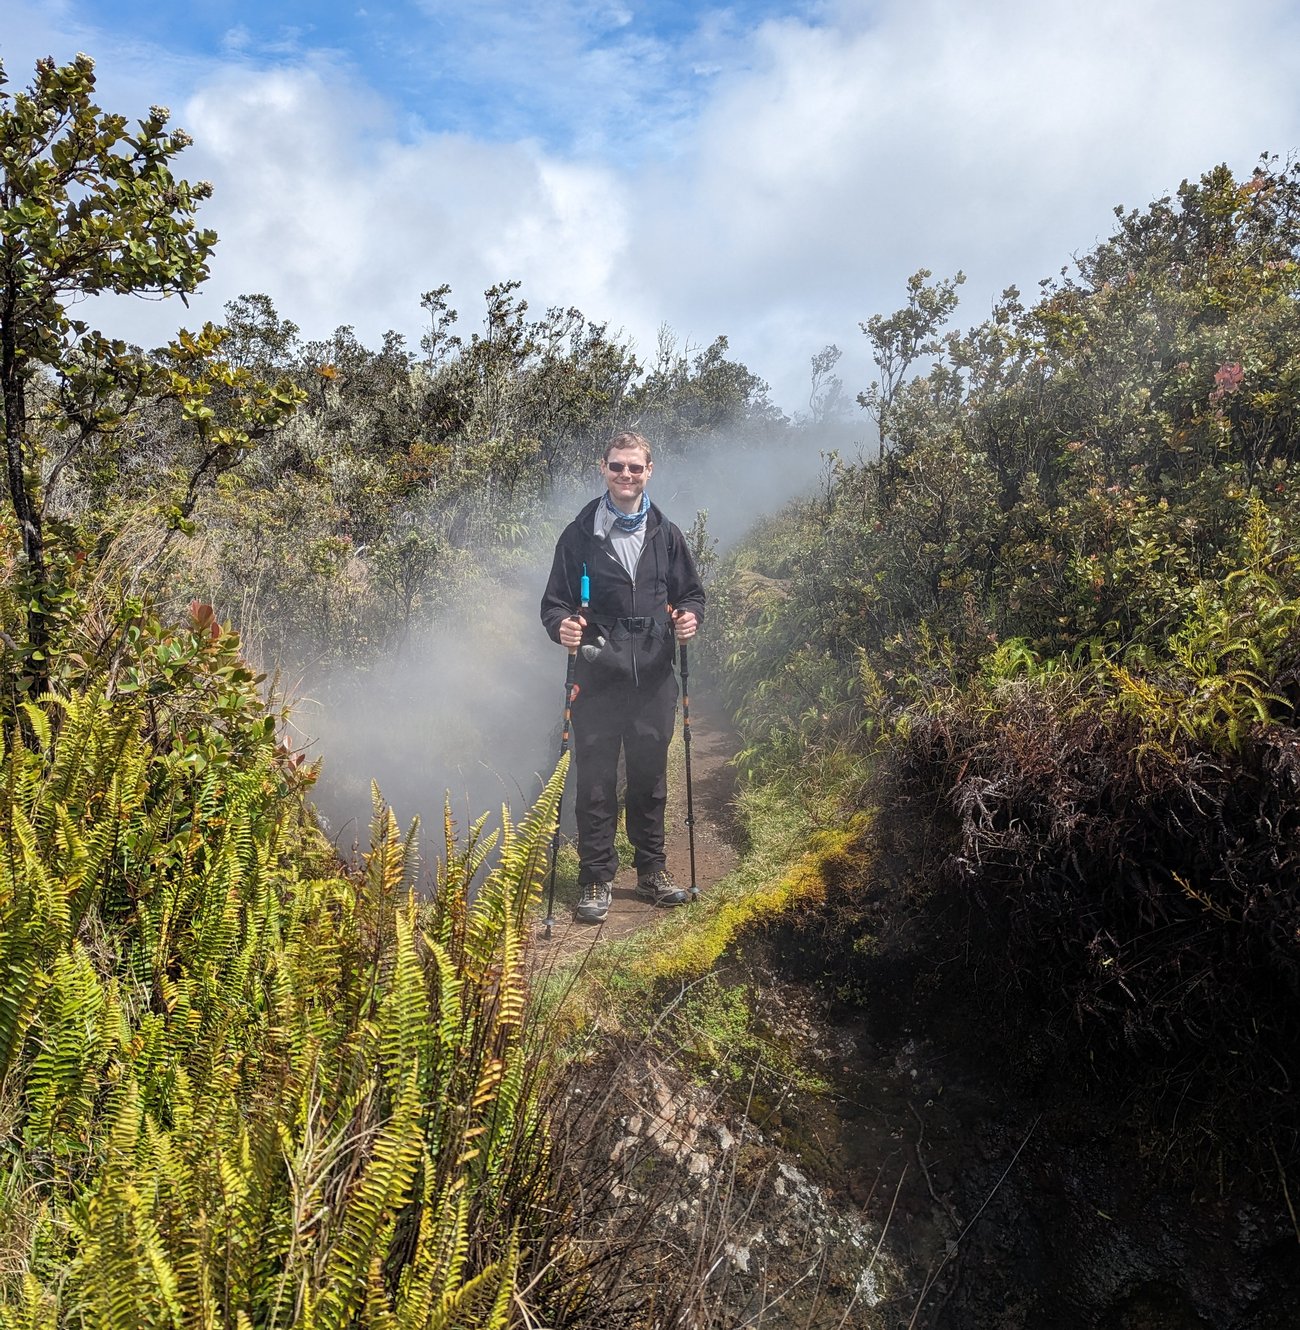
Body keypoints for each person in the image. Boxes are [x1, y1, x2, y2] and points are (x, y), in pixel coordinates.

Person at [540, 431, 705, 924]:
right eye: (617, 467)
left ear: (649, 471)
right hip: (597, 675)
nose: (626, 475)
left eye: (635, 467)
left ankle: (651, 871)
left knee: (650, 777)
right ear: (603, 469)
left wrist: (690, 617)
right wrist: (562, 627)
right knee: (594, 779)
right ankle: (596, 876)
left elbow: (691, 594)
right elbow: (555, 604)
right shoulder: (578, 535)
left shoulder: (667, 533)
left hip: (654, 676)